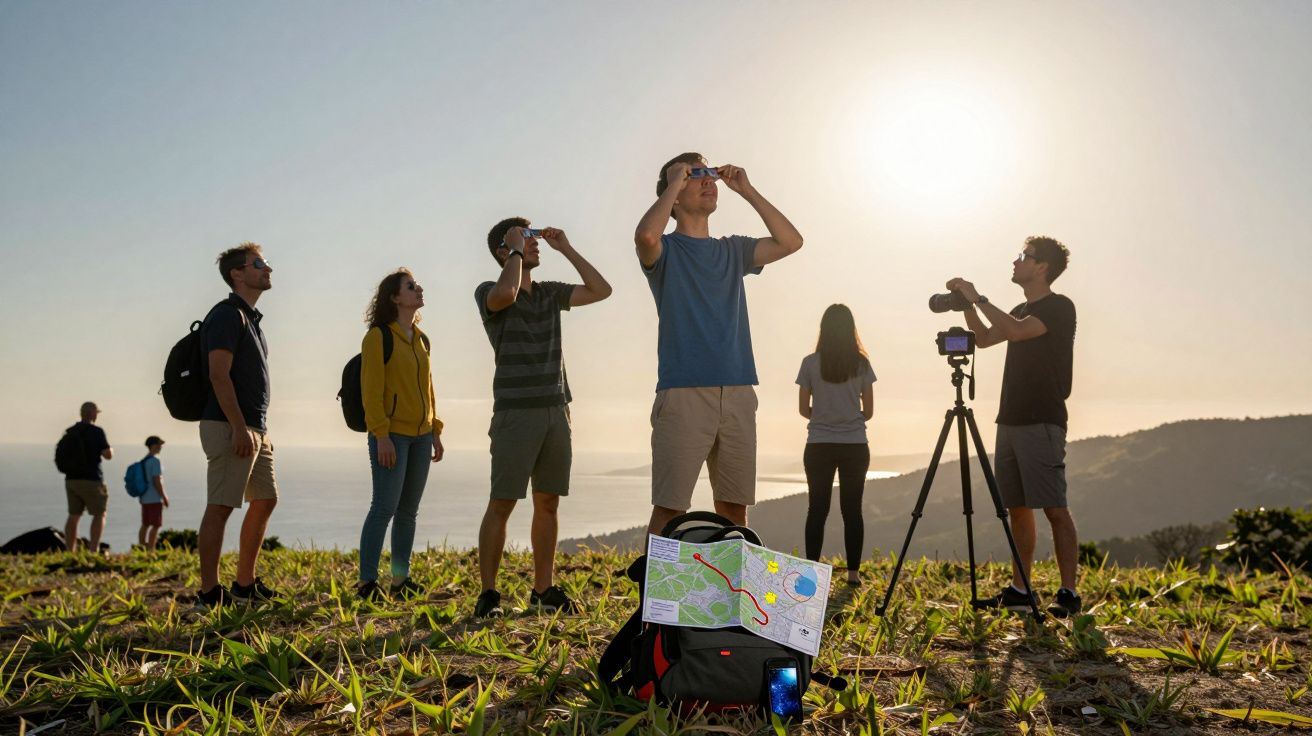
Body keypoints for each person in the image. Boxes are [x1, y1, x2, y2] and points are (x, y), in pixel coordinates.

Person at [636, 153, 804, 535]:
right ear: (674, 193)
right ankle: (656, 579)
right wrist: (674, 182)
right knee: (670, 509)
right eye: (694, 175)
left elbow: (791, 241)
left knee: (734, 511)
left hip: (739, 390)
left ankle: (726, 578)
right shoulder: (665, 251)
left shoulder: (733, 250)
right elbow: (645, 237)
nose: (707, 181)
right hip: (684, 392)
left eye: (709, 173)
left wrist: (747, 190)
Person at [473, 218, 611, 617]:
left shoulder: (550, 293)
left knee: (548, 501)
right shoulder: (489, 290)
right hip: (515, 413)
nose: (534, 243)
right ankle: (489, 594)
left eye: (533, 238)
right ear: (504, 250)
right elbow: (506, 292)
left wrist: (565, 248)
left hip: (556, 409)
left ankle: (542, 590)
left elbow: (601, 290)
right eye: (525, 237)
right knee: (502, 502)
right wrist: (517, 249)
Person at [946, 235, 1080, 617]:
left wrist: (978, 298)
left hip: (1042, 419)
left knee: (1054, 507)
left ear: (1042, 267)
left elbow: (1018, 331)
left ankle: (1068, 593)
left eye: (1024, 256)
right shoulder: (1020, 309)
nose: (1016, 261)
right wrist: (967, 307)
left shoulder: (1059, 307)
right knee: (1017, 507)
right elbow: (986, 338)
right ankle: (1021, 590)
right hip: (1010, 419)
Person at [195, 242, 279, 608]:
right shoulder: (227, 316)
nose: (268, 269)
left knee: (265, 498)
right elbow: (218, 374)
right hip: (232, 427)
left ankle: (244, 586)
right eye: (259, 264)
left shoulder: (251, 320)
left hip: (254, 427)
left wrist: (255, 428)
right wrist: (239, 427)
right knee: (221, 506)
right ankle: (209, 594)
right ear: (237, 274)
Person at [357, 268, 445, 601]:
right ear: (394, 297)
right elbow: (371, 391)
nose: (419, 289)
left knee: (408, 512)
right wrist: (381, 435)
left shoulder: (422, 339)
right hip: (391, 436)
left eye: (417, 285)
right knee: (383, 508)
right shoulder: (378, 337)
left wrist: (435, 430)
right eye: (411, 286)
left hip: (422, 436)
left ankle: (400, 580)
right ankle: (367, 583)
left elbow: (428, 388)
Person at [796, 305, 875, 586]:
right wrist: (847, 415)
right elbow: (869, 412)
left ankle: (811, 573)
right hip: (855, 444)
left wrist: (824, 415)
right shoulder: (862, 364)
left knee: (817, 510)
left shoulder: (809, 363)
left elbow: (803, 409)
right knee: (852, 511)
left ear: (824, 329)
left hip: (819, 444)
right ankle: (853, 575)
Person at [62, 401, 112, 552]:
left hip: (71, 479)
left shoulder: (70, 431)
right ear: (92, 414)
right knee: (99, 514)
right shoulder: (96, 432)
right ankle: (93, 550)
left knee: (73, 515)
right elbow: (107, 455)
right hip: (91, 479)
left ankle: (70, 550)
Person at [138, 435, 169, 551]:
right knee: (156, 525)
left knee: (145, 524)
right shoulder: (155, 461)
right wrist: (164, 497)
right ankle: (151, 549)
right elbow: (157, 481)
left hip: (144, 497)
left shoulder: (143, 461)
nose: (161, 447)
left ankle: (141, 547)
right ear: (154, 445)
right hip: (154, 498)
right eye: (159, 445)